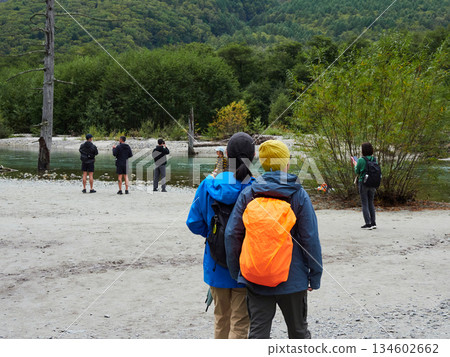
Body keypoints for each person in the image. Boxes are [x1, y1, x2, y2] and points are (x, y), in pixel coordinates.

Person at [225, 140, 322, 339]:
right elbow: (309, 238)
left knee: (258, 334)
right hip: (293, 279)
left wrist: (238, 272)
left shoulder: (249, 193)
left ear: (263, 164)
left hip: (257, 278)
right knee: (298, 333)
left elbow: (232, 234)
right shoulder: (299, 194)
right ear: (286, 164)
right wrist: (315, 275)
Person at [186, 132, 255, 339]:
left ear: (226, 154)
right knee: (241, 322)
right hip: (246, 265)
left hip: (216, 263)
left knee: (221, 319)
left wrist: (213, 235)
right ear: (253, 157)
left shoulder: (208, 185)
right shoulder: (256, 187)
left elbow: (193, 222)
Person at [354, 142, 377, 229]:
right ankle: (373, 223)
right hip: (373, 182)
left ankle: (368, 223)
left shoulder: (361, 160)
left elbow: (357, 171)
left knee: (364, 203)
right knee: (371, 202)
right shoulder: (374, 159)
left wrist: (355, 165)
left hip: (363, 182)